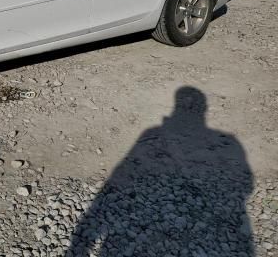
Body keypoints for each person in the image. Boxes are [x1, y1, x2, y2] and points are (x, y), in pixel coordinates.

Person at [67, 86, 255, 256]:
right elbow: (246, 186)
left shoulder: (152, 133)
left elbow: (246, 186)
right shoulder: (229, 142)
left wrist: (80, 246)